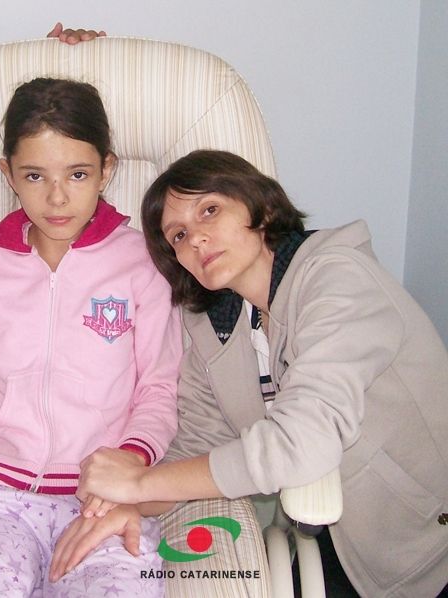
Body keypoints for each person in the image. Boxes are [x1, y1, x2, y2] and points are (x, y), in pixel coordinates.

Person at [73, 149, 448, 597]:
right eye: (178, 235)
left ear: (262, 207)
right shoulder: (217, 326)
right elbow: (194, 448)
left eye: (209, 210)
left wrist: (139, 482)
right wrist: (126, 504)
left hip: (428, 547)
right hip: (346, 547)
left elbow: (302, 443)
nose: (196, 239)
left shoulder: (338, 280)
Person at [0, 77, 182, 596]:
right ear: (7, 173)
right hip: (1, 503)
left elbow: (159, 389)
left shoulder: (142, 261)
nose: (57, 197)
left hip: (107, 502)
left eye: (78, 174)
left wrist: (130, 464)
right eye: (34, 175)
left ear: (107, 170)